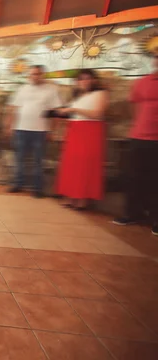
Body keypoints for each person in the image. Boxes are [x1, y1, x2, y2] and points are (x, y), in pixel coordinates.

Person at [113, 53, 158, 235]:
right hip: (139, 137)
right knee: (133, 177)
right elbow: (134, 107)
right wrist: (139, 125)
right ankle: (132, 213)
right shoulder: (142, 82)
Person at [4, 65, 62, 197]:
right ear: (29, 76)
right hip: (21, 129)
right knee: (19, 159)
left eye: (38, 74)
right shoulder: (22, 89)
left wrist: (53, 131)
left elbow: (56, 112)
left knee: (38, 160)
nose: (35, 76)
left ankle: (37, 188)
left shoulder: (51, 90)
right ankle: (18, 184)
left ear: (43, 75)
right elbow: (13, 108)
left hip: (40, 131)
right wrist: (9, 126)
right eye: (32, 74)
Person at [55, 69, 109, 210]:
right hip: (76, 130)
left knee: (86, 163)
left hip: (90, 131)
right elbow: (75, 113)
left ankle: (83, 199)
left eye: (87, 78)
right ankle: (71, 196)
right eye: (81, 79)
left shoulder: (100, 93)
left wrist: (74, 110)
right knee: (72, 163)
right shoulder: (78, 96)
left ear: (93, 80)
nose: (84, 81)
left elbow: (97, 114)